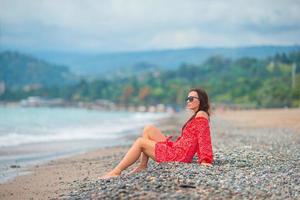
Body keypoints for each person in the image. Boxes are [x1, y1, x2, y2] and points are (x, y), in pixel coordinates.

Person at [100, 87, 214, 179]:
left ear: (201, 100)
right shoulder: (197, 114)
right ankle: (142, 165)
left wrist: (205, 159)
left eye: (191, 98)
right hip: (177, 148)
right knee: (148, 129)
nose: (188, 101)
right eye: (187, 98)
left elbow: (204, 138)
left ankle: (116, 171)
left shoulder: (201, 114)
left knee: (140, 142)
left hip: (179, 155)